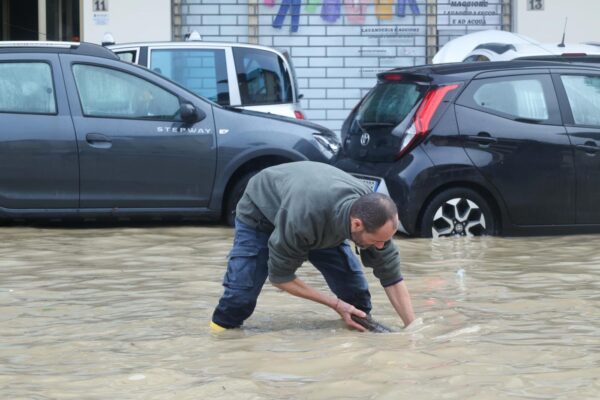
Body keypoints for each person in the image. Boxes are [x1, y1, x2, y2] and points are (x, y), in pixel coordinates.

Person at [210, 161, 415, 332]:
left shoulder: (374, 216)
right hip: (261, 214)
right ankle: (219, 339)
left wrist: (411, 329)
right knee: (239, 300)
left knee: (356, 297)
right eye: (377, 241)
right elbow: (281, 278)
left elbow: (392, 277)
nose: (381, 246)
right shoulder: (303, 219)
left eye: (385, 240)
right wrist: (335, 305)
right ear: (356, 224)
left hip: (317, 213)